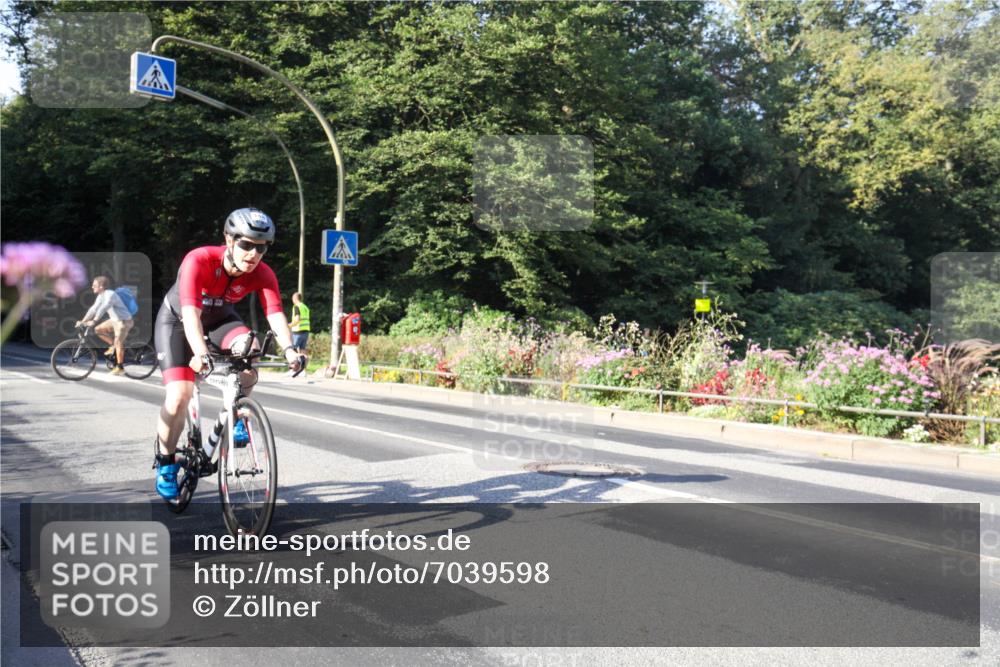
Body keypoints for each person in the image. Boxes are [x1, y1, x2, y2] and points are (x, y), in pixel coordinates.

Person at [152, 207, 302, 500]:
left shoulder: (263, 273)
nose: (253, 254)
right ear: (229, 240)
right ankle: (166, 462)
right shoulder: (199, 260)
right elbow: (191, 316)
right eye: (246, 244)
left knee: (251, 347)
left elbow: (274, 314)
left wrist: (290, 350)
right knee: (179, 395)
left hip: (221, 320)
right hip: (179, 322)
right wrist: (200, 353)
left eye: (261, 248)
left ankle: (237, 414)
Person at [76, 276, 133, 376]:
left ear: (101, 287)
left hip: (124, 321)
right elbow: (93, 309)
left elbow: (104, 307)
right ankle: (112, 346)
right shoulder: (101, 296)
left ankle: (120, 368)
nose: (92, 287)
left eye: (95, 285)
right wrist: (83, 321)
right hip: (115, 320)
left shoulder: (110, 295)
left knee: (118, 342)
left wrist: (94, 320)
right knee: (98, 329)